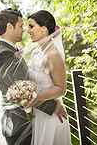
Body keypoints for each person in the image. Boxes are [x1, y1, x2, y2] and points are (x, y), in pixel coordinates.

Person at [0, 8, 61, 145]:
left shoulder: (10, 50)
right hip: (18, 121)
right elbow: (21, 88)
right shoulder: (5, 53)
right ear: (9, 27)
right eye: (20, 26)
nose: (24, 29)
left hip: (25, 117)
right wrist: (53, 106)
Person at [27, 10, 71, 145]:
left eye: (31, 26)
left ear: (44, 29)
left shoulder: (53, 54)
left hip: (51, 117)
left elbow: (61, 89)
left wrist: (33, 96)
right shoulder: (37, 51)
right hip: (40, 113)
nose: (27, 30)